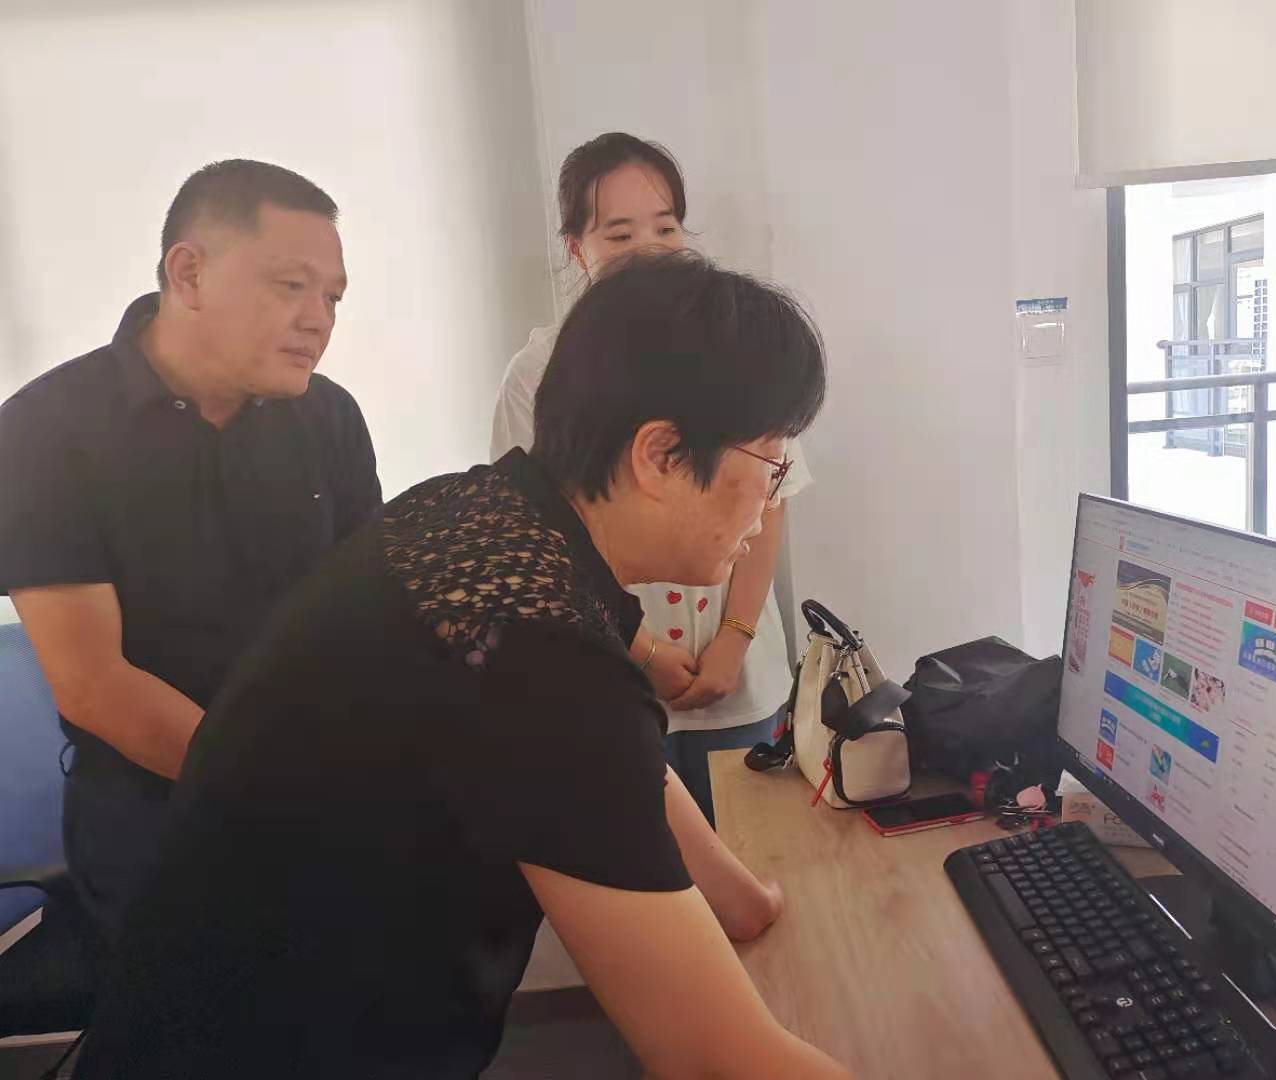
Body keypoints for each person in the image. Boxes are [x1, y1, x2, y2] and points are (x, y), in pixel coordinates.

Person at [71, 252, 849, 1079]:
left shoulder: (474, 516)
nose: (771, 502)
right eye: (770, 467)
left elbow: (616, 771)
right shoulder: (539, 647)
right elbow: (714, 1060)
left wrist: (744, 900)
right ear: (659, 456)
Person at [0, 160, 382, 940]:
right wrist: (283, 793)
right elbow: (93, 683)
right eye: (292, 286)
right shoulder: (45, 431)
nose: (318, 319)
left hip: (325, 791)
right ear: (189, 273)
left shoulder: (329, 419)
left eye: (332, 298)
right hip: (155, 821)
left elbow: (370, 618)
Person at [492, 132, 812, 824]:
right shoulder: (541, 373)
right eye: (619, 233)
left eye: (665, 227)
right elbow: (539, 537)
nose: (649, 249)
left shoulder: (731, 350)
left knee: (758, 842)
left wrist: (734, 637)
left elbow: (770, 499)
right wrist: (643, 653)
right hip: (614, 675)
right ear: (576, 248)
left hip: (737, 678)